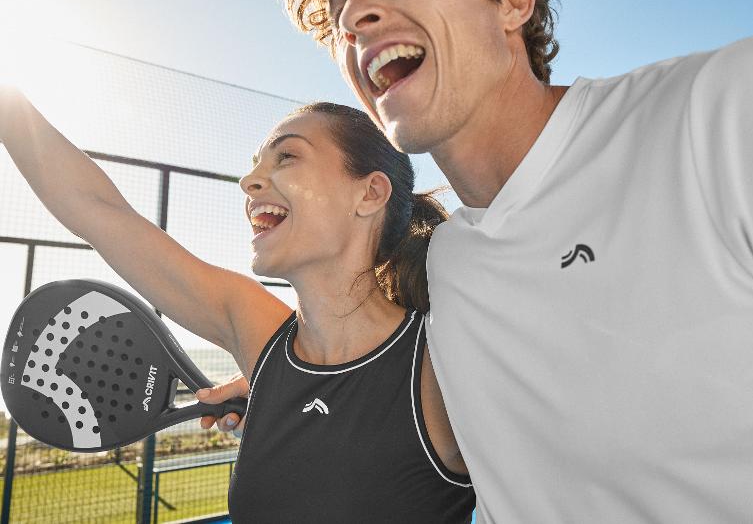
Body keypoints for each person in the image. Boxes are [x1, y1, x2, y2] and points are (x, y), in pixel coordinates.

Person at [202, 0, 753, 521]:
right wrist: (295, 397)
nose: (351, 19)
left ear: (512, 0)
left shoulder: (728, 105)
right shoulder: (447, 265)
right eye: (340, 3)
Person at [0, 90, 475, 522]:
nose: (250, 180)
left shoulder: (445, 366)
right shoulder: (259, 336)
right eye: (254, 164)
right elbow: (95, 208)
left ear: (369, 193)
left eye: (287, 156)